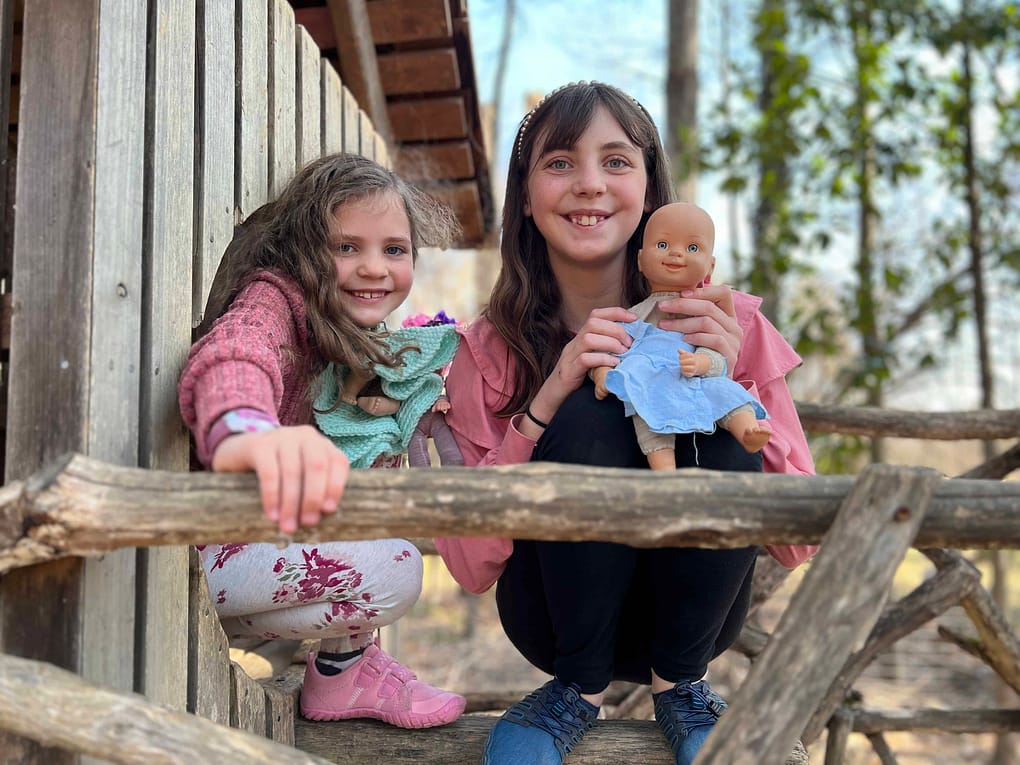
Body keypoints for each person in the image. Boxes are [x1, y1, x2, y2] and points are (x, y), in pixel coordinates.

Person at [433, 82, 818, 764]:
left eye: (616, 161)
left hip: (696, 618)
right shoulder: (485, 350)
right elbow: (468, 564)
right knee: (591, 407)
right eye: (559, 163)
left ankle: (685, 691)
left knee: (703, 411)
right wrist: (545, 401)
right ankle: (572, 693)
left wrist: (729, 379)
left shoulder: (732, 323)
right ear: (526, 194)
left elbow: (798, 543)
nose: (588, 185)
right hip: (553, 619)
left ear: (649, 190)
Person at [178, 153, 466, 729]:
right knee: (399, 566)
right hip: (198, 561)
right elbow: (237, 353)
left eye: (394, 250)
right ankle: (345, 665)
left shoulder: (361, 342)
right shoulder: (277, 300)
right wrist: (245, 429)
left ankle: (343, 673)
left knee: (368, 485)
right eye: (346, 247)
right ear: (305, 250)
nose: (373, 269)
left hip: (263, 561)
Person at [590, 202, 771, 471]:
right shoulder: (635, 314)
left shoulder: (711, 319)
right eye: (662, 245)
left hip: (695, 376)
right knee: (645, 412)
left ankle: (748, 432)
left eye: (692, 248)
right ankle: (665, 471)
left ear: (709, 267)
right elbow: (610, 347)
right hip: (651, 377)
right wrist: (602, 373)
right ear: (641, 259)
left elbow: (717, 358)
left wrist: (703, 363)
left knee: (726, 392)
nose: (676, 254)